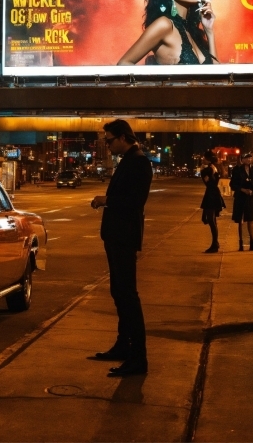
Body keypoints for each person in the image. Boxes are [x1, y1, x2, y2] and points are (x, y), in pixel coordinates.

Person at [90, 120, 153, 377]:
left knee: (128, 295)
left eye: (109, 140)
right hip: (116, 236)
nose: (107, 144)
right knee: (119, 292)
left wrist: (107, 200)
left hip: (124, 236)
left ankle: (138, 357)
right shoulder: (128, 159)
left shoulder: (138, 161)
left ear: (124, 138)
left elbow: (136, 201)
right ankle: (123, 345)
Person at [230, 152, 253, 251]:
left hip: (250, 197)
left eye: (250, 158)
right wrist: (242, 189)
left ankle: (252, 242)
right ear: (242, 160)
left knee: (250, 218)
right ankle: (241, 242)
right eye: (246, 158)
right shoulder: (237, 170)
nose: (248, 160)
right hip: (240, 197)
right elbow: (232, 184)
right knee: (240, 219)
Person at [200, 150, 225, 253]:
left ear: (208, 159)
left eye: (204, 158)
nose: (202, 159)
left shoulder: (209, 169)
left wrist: (202, 171)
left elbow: (208, 182)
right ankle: (215, 243)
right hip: (214, 194)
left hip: (211, 195)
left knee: (211, 220)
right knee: (212, 220)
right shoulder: (215, 167)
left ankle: (215, 244)